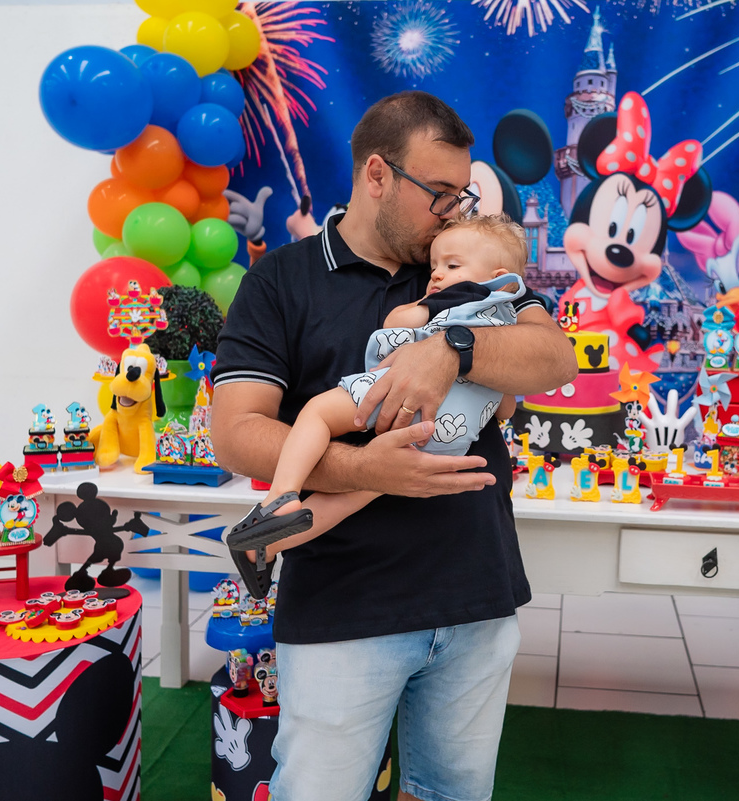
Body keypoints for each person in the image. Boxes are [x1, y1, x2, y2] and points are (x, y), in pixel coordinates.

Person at [209, 91, 577, 801]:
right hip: (343, 604)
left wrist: (454, 349)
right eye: (437, 191)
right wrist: (360, 468)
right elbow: (236, 430)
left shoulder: (465, 265)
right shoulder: (281, 279)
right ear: (376, 175)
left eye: (460, 193)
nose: (452, 210)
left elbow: (555, 359)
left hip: (475, 592)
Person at [224, 214, 531, 596]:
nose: (436, 275)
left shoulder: (459, 298)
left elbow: (396, 322)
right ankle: (265, 546)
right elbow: (504, 408)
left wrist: (421, 306)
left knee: (318, 413)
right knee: (362, 492)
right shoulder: (510, 322)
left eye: (451, 266)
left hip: (395, 400)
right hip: (447, 437)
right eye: (435, 266)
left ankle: (281, 496)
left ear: (494, 275)